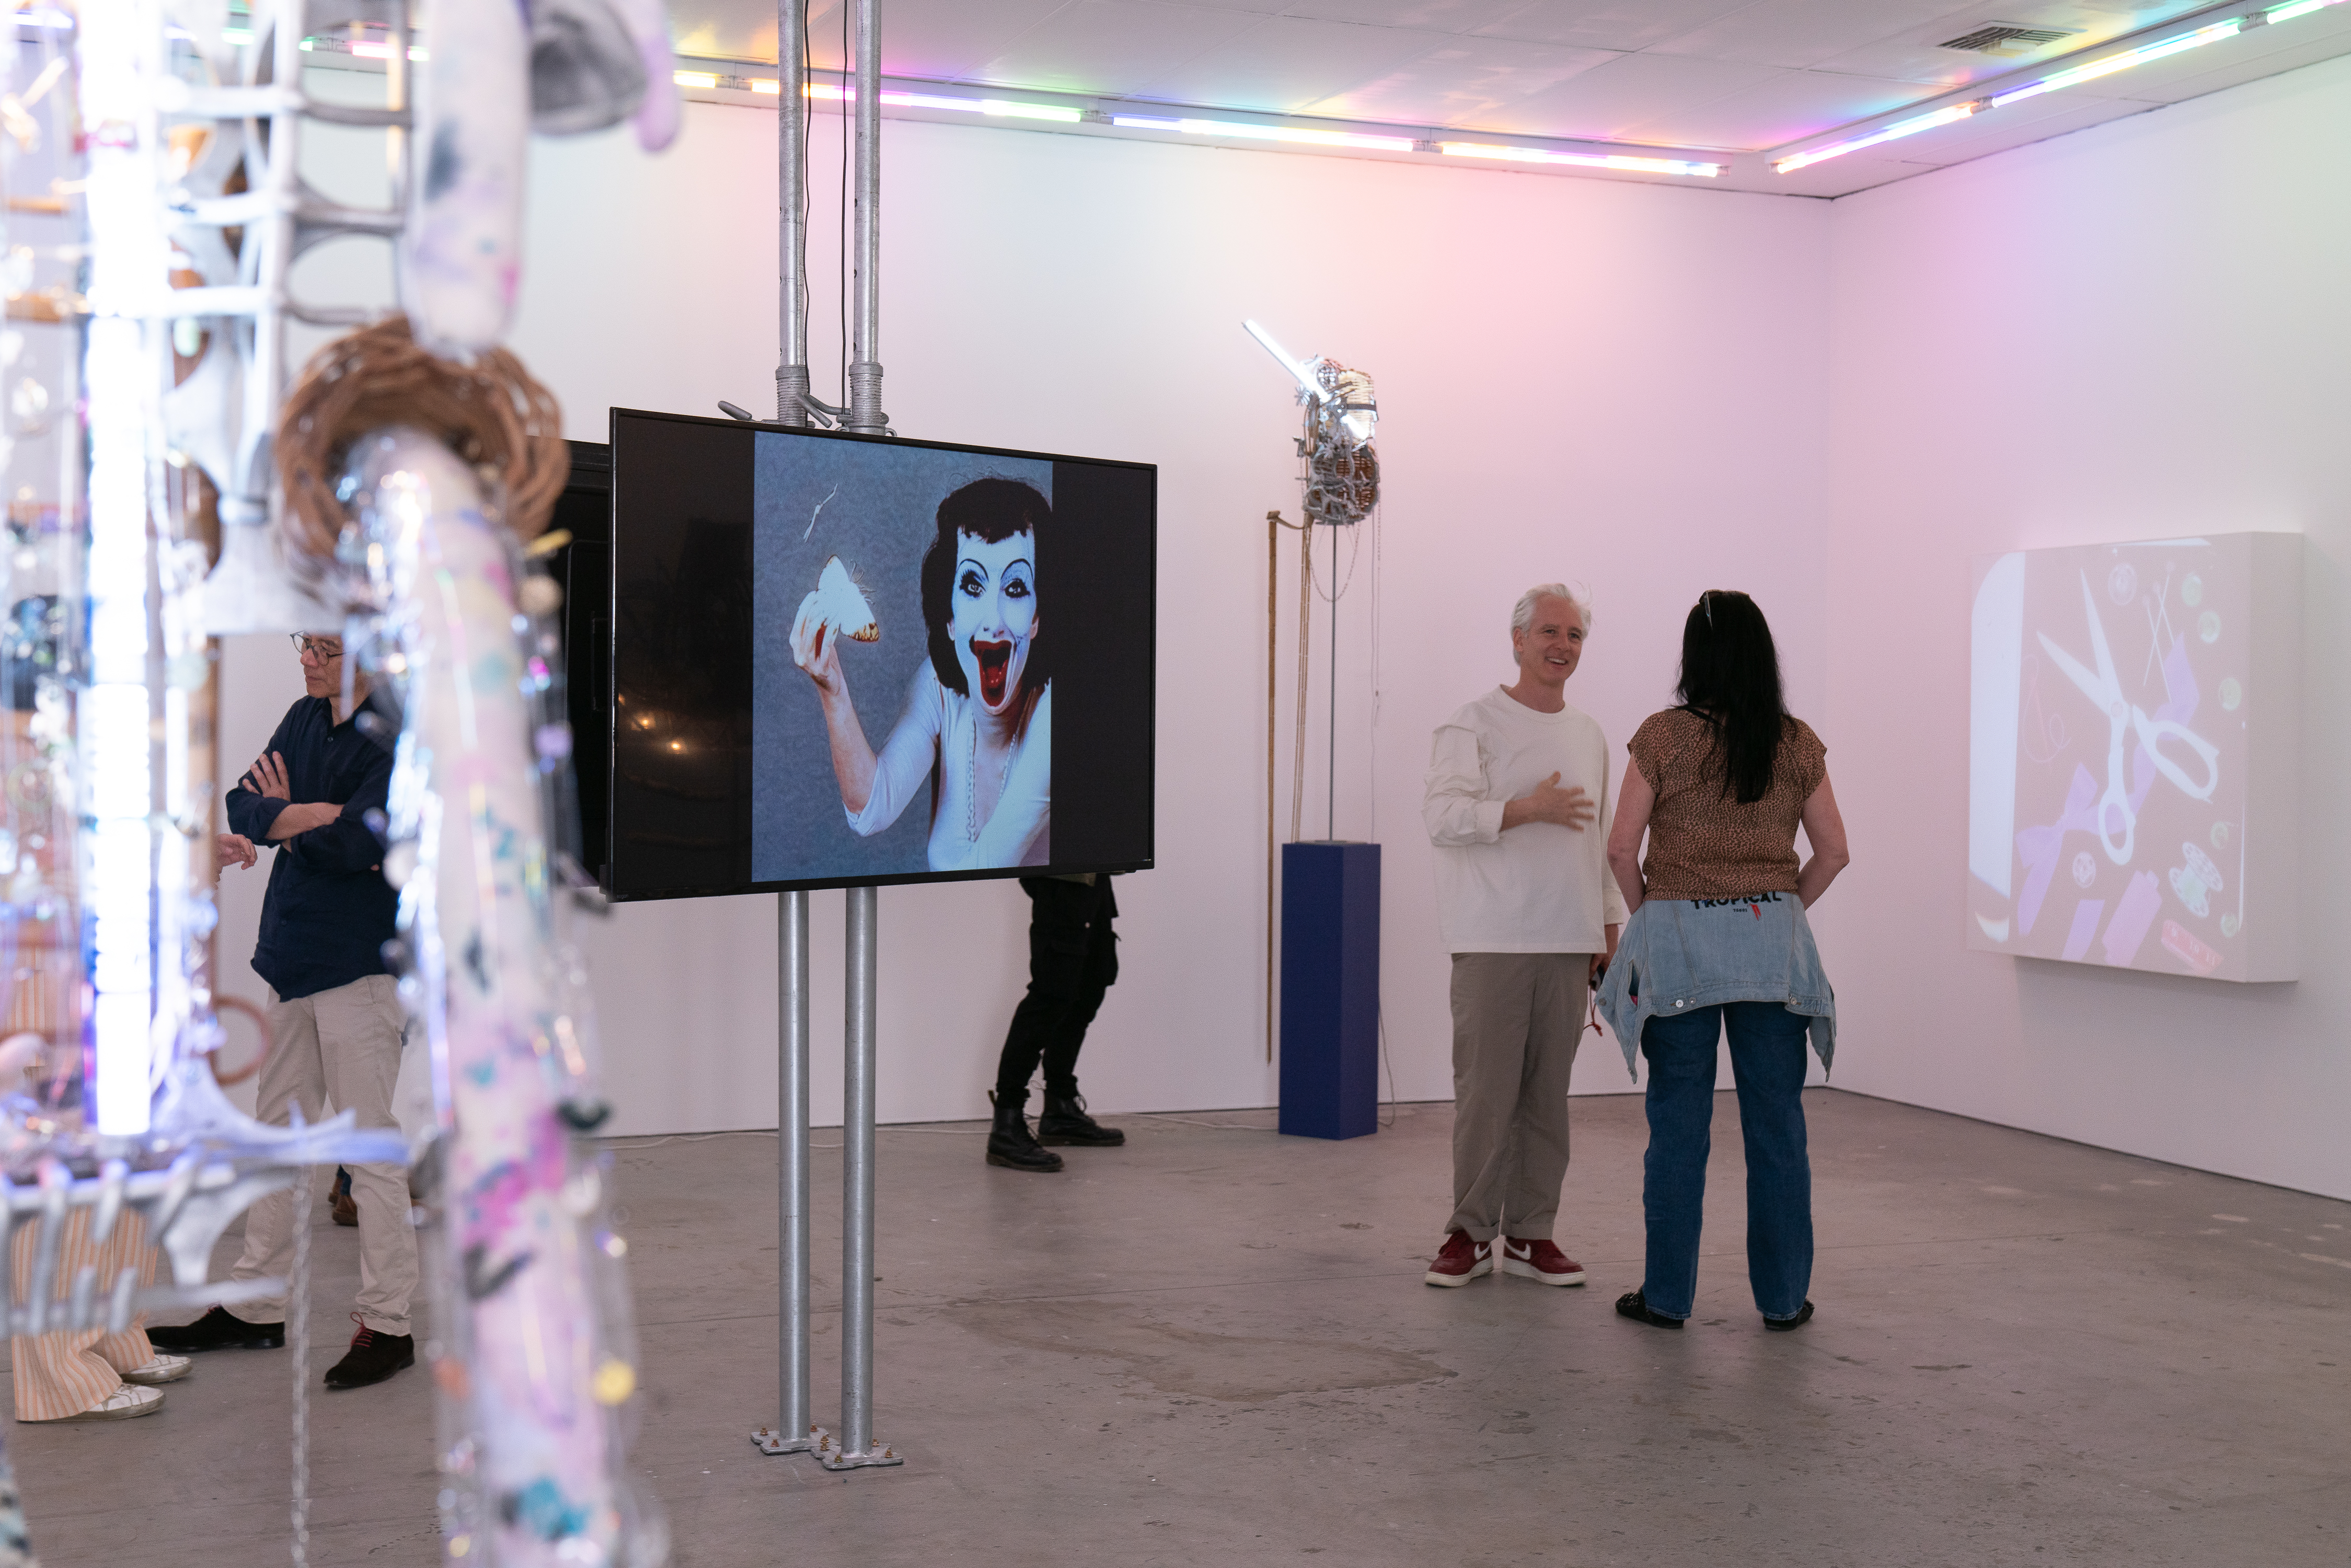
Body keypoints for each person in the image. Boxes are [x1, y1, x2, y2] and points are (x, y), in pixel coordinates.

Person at [150, 631, 418, 1390]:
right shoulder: (305, 716)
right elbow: (244, 801)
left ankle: (390, 1325)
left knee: (367, 1152)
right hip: (295, 957)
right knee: (273, 1139)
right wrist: (306, 816)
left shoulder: (397, 734)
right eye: (305, 645)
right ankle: (258, 1305)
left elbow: (361, 842)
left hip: (359, 969)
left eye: (325, 649)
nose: (307, 661)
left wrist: (284, 818)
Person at [1598, 590, 1849, 1333]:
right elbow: (1833, 851)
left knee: (1677, 1128)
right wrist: (1780, 910)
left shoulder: (1663, 737)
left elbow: (1619, 846)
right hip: (1771, 952)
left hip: (1677, 950)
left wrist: (1653, 913)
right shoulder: (1795, 741)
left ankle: (1667, 1298)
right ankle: (1780, 1301)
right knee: (1777, 1129)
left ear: (1693, 655)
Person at [1419, 584, 1626, 1287]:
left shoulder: (1589, 734)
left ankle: (1531, 1233)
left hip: (1567, 940)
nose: (1561, 646)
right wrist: (1524, 810)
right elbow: (1441, 816)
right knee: (1485, 1096)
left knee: (1545, 1099)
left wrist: (1608, 926)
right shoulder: (1471, 723)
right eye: (1547, 632)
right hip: (1493, 938)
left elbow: (1596, 841)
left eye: (1572, 636)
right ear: (1516, 641)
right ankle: (1468, 1234)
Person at [792, 477, 1051, 871]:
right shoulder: (937, 688)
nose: (993, 621)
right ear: (949, 617)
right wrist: (833, 687)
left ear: (1036, 617)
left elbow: (980, 874)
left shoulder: (1055, 713)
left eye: (1015, 588)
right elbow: (871, 810)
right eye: (973, 585)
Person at [983, 873, 1124, 1172]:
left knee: (1091, 984)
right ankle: (1006, 1124)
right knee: (1051, 995)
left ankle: (1060, 1107)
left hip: (1095, 874)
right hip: (1062, 877)